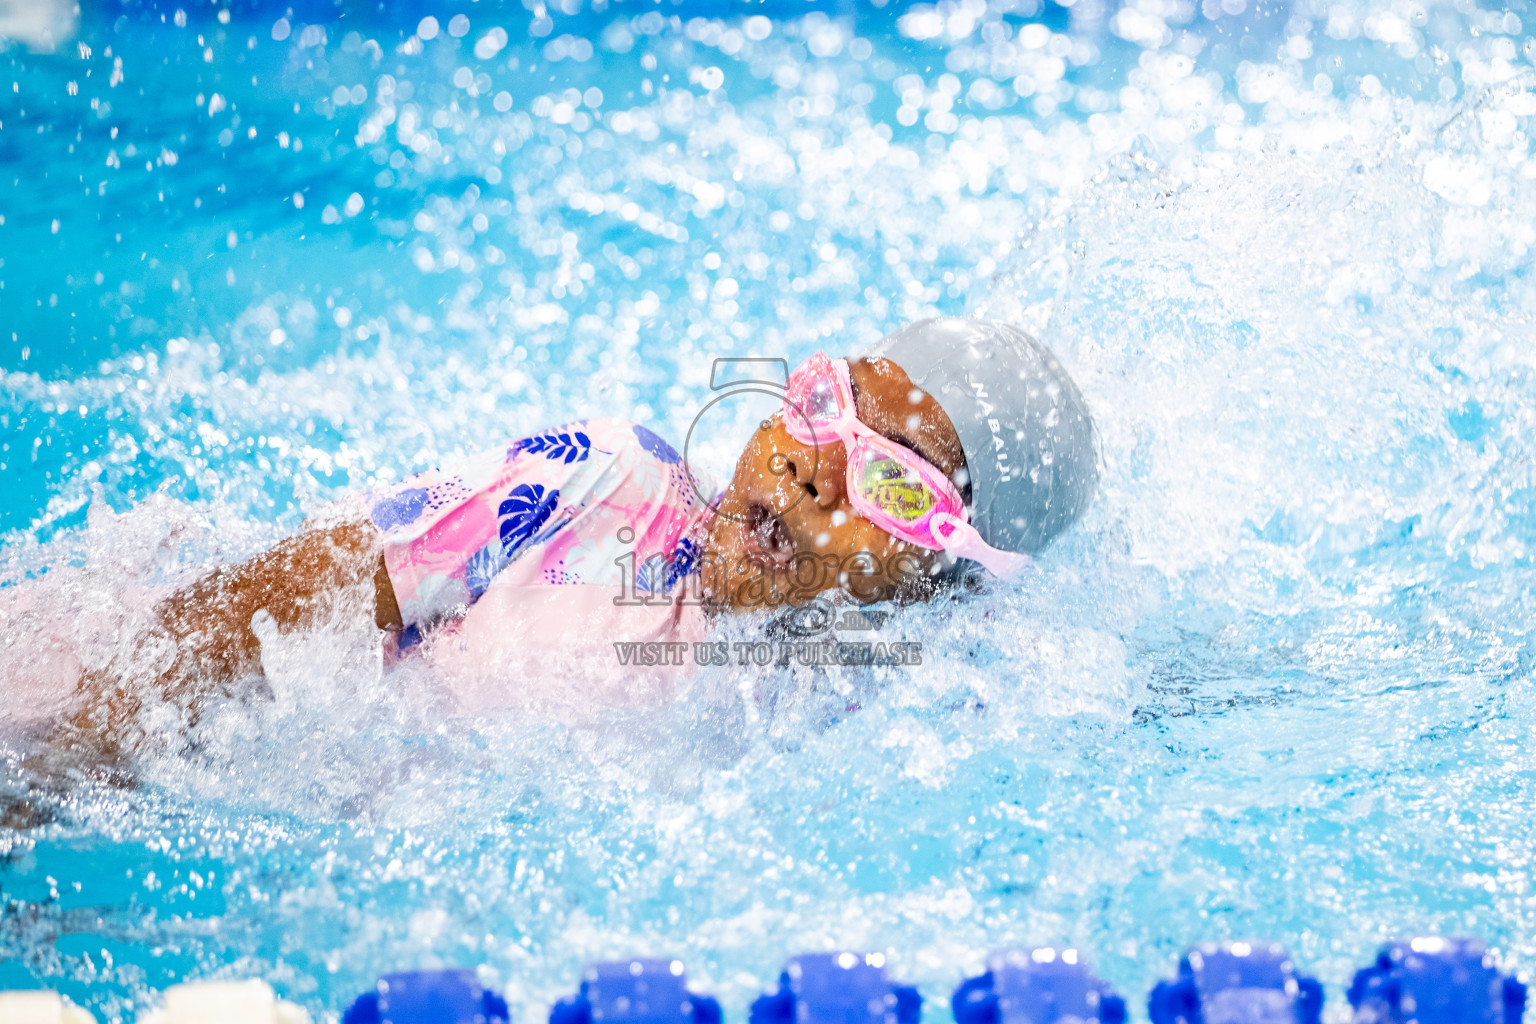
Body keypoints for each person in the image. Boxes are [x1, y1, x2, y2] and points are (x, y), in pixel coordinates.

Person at [23, 318, 1098, 760]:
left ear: (944, 574)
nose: (818, 464)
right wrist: (71, 761)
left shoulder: (886, 700)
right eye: (826, 403)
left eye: (895, 482)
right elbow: (268, 605)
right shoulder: (598, 488)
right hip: (62, 693)